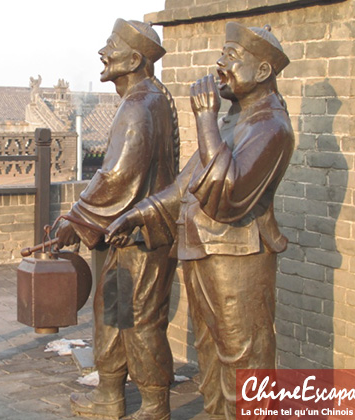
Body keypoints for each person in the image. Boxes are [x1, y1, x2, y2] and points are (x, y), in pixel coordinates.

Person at [107, 22, 294, 420]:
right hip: (204, 250)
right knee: (210, 349)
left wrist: (205, 119)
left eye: (232, 58)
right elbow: (185, 185)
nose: (220, 66)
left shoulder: (271, 127)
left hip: (238, 255)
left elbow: (228, 194)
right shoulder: (234, 120)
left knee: (243, 352)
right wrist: (137, 214)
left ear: (262, 72)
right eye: (222, 56)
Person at [55, 19, 179, 420]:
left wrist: (76, 219)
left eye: (111, 45)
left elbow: (118, 175)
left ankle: (155, 405)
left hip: (140, 239)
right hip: (120, 238)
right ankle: (109, 396)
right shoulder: (143, 101)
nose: (103, 52)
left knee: (140, 321)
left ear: (135, 59)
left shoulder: (141, 105)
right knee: (112, 315)